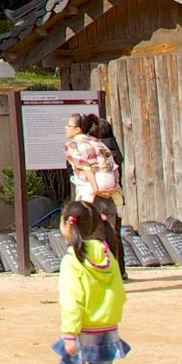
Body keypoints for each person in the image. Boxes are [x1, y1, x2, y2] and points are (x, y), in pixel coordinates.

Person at [53, 198, 130, 364]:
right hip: (108, 329)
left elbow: (72, 299)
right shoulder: (107, 253)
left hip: (84, 329)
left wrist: (69, 333)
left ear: (67, 225)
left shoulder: (72, 260)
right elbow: (118, 290)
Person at [64, 113, 124, 272]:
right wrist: (113, 187)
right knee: (109, 240)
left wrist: (95, 189)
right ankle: (113, 274)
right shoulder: (100, 144)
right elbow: (114, 167)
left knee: (91, 241)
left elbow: (85, 167)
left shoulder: (74, 145)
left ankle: (94, 276)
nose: (66, 128)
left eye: (69, 126)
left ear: (77, 130)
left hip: (90, 197)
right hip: (110, 195)